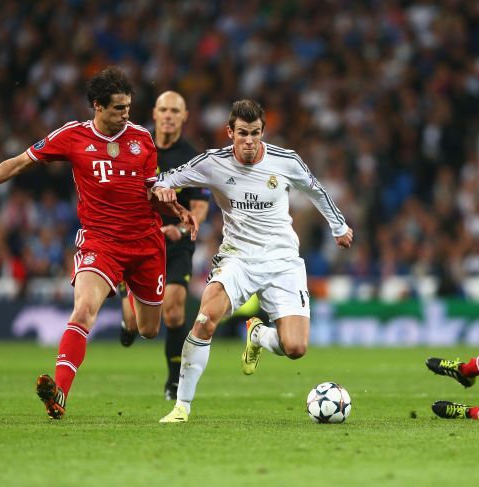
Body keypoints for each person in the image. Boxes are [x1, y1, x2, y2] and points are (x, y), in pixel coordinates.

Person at [0, 67, 199, 420]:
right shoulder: (73, 136)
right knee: (83, 311)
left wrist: (174, 205)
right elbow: (20, 163)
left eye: (129, 108)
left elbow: (151, 191)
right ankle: (59, 393)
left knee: (149, 329)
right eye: (119, 108)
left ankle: (127, 294)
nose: (126, 115)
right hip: (100, 241)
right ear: (97, 106)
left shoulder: (142, 140)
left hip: (145, 243)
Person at [151, 99, 353, 423]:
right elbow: (164, 180)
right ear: (229, 131)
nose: (249, 141)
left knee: (296, 348)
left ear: (263, 131)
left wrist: (338, 226)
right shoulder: (212, 163)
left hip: (283, 258)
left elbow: (315, 189)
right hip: (238, 257)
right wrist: (165, 195)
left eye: (255, 133)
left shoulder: (285, 161)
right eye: (242, 133)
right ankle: (181, 406)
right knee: (204, 319)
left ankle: (257, 335)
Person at [118, 91, 210, 401]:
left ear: (185, 116)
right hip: (139, 240)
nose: (169, 115)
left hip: (176, 245)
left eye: (175, 110)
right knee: (136, 321)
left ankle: (174, 380)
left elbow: (199, 206)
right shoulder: (136, 147)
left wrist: (182, 231)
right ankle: (126, 320)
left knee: (172, 312)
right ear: (154, 114)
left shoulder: (193, 158)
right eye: (163, 109)